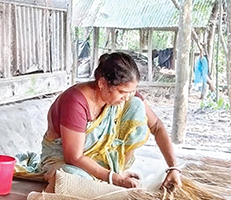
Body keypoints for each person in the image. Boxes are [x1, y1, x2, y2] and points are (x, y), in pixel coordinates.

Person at [32, 52, 181, 192]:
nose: (127, 97)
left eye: (131, 91)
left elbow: (156, 126)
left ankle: (116, 170)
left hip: (99, 159)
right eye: (122, 92)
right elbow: (73, 157)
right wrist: (114, 179)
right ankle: (108, 177)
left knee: (136, 105)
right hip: (64, 160)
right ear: (102, 83)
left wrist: (173, 168)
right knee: (70, 178)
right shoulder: (75, 102)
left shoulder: (127, 96)